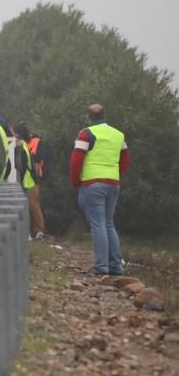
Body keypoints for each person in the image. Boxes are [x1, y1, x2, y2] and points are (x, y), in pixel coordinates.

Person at [69, 104, 128, 276]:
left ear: (89, 117)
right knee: (109, 224)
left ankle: (101, 267)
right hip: (113, 183)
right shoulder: (118, 134)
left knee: (98, 225)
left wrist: (75, 180)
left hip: (92, 183)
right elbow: (125, 159)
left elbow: (76, 160)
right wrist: (114, 173)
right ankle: (116, 266)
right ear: (104, 115)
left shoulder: (86, 133)